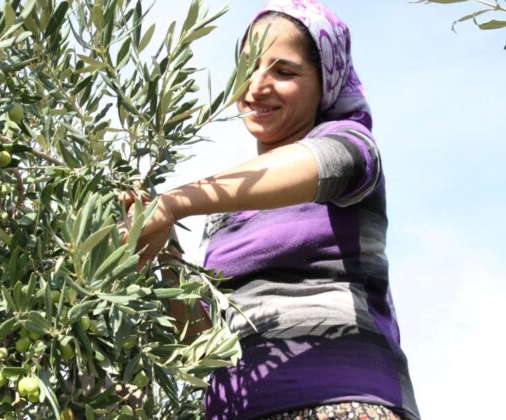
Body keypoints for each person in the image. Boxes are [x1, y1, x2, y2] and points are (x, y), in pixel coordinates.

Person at [130, 0, 420, 418]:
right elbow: (204, 347)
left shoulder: (353, 146)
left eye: (283, 72)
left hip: (341, 403)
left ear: (326, 83)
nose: (256, 86)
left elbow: (322, 162)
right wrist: (166, 250)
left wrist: (172, 204)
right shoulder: (227, 215)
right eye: (247, 69)